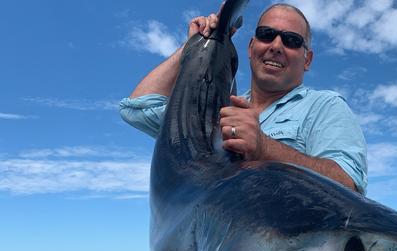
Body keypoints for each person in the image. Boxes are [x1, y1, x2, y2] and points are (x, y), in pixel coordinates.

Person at [119, 3, 367, 194]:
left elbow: (349, 184)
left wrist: (265, 147)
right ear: (251, 47)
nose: (276, 45)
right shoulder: (218, 108)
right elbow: (138, 109)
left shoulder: (324, 107)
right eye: (266, 34)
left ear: (307, 59)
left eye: (292, 40)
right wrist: (195, 46)